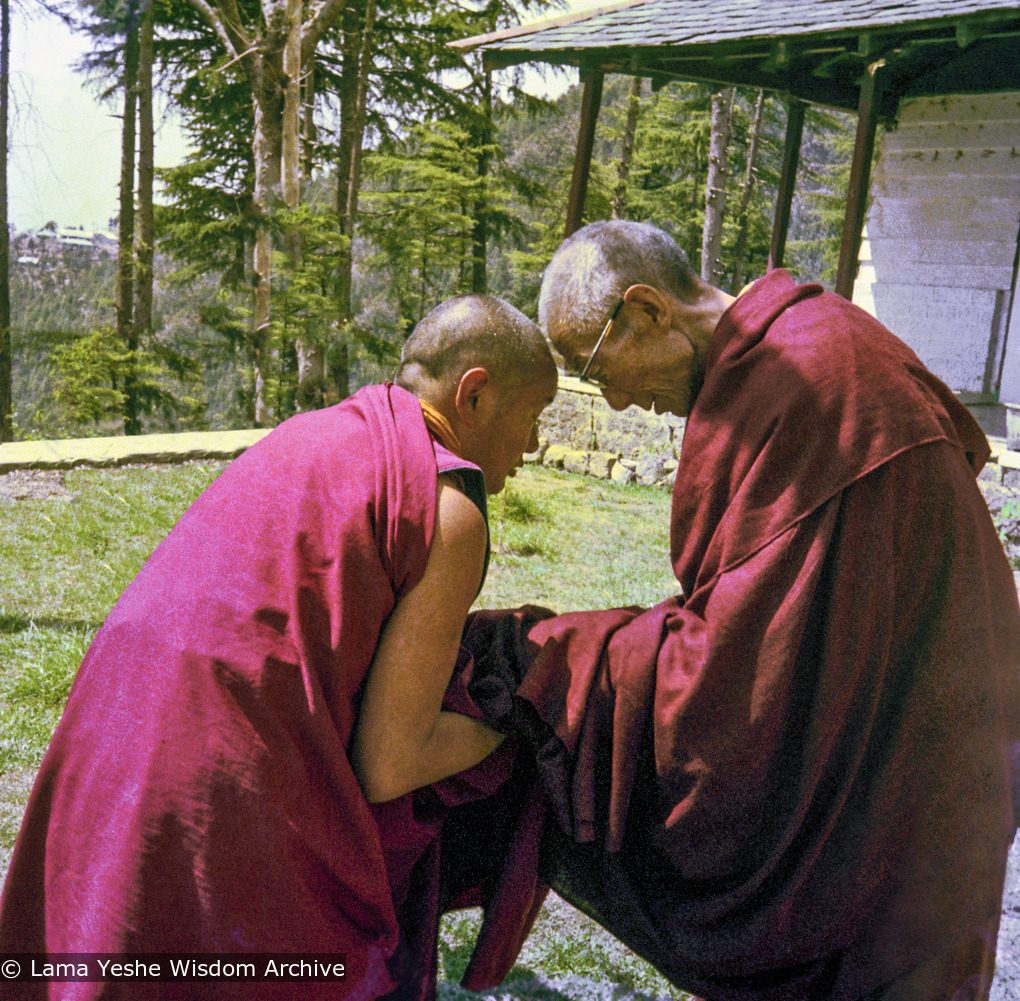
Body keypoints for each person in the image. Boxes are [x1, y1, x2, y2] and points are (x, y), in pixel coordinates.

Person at [460, 220, 1020, 1001]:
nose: (619, 401)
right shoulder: (824, 336)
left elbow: (736, 673)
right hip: (935, 733)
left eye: (599, 368)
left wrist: (545, 656)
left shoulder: (811, 377)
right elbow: (784, 608)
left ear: (648, 311)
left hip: (910, 755)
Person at [0, 294, 558, 999]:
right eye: (533, 415)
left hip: (106, 739)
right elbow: (391, 761)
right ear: (475, 394)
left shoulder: (312, 432)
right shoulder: (450, 506)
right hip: (219, 778)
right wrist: (514, 726)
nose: (534, 444)